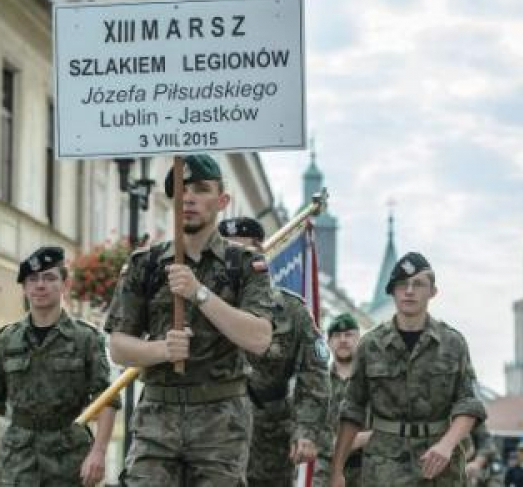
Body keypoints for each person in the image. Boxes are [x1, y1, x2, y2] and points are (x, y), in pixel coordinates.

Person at [105, 154, 274, 486]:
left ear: (222, 201)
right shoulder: (147, 264)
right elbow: (118, 347)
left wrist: (199, 293)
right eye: (182, 189)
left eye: (201, 189)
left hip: (220, 422)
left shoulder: (244, 265)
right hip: (157, 416)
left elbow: (259, 338)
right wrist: (162, 351)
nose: (190, 198)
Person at [0, 246, 119, 487]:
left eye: (49, 278)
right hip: (17, 461)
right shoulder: (6, 340)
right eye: (32, 279)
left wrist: (98, 452)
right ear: (24, 288)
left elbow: (107, 399)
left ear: (65, 285)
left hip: (69, 460)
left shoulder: (86, 339)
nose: (40, 285)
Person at [331, 252, 486, 486]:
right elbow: (352, 409)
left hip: (439, 467)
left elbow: (469, 403)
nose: (410, 290)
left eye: (419, 284)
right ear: (392, 292)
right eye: (402, 284)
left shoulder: (452, 343)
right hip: (384, 468)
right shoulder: (371, 345)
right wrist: (337, 470)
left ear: (433, 292)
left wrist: (447, 444)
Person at [218, 216, 330, 487]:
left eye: (247, 251)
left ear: (261, 253)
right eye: (229, 251)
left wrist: (306, 431)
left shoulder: (292, 311)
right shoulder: (198, 306)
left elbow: (313, 374)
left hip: (269, 438)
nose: (237, 260)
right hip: (210, 429)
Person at [315, 313, 371, 487]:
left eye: (349, 335)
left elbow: (386, 428)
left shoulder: (373, 382)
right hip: (322, 470)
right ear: (329, 342)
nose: (343, 340)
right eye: (337, 336)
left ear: (359, 339)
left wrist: (354, 441)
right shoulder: (316, 381)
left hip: (363, 471)